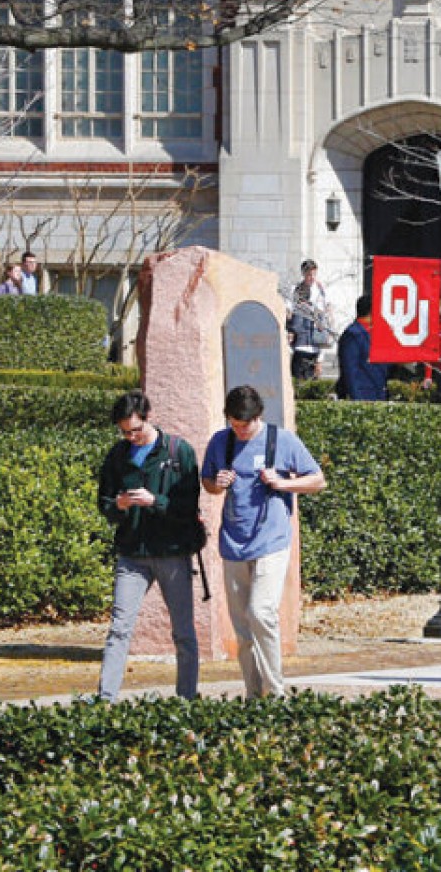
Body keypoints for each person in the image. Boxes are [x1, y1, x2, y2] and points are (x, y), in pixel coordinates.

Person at [200, 385, 326, 698]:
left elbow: (318, 480)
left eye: (246, 425)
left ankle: (277, 691)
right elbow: (208, 482)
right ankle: (255, 696)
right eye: (235, 425)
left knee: (261, 612)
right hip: (233, 541)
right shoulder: (221, 441)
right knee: (242, 628)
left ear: (259, 417)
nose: (241, 431)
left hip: (272, 540)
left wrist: (282, 483)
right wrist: (217, 484)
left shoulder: (282, 440)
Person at [96, 390, 203, 701]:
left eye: (136, 430)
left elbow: (189, 506)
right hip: (132, 554)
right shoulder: (117, 455)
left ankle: (187, 698)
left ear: (148, 417)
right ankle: (106, 699)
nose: (131, 437)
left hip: (172, 553)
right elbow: (104, 504)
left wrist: (156, 501)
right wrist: (119, 505)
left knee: (183, 632)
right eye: (125, 432)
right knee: (119, 629)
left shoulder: (178, 451)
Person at [287, 260, 332, 380]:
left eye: (314, 274)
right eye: (309, 275)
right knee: (298, 379)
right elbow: (289, 312)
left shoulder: (321, 290)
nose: (311, 278)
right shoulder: (296, 289)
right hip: (299, 344)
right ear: (303, 274)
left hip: (316, 342)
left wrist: (321, 359)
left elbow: (326, 314)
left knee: (312, 380)